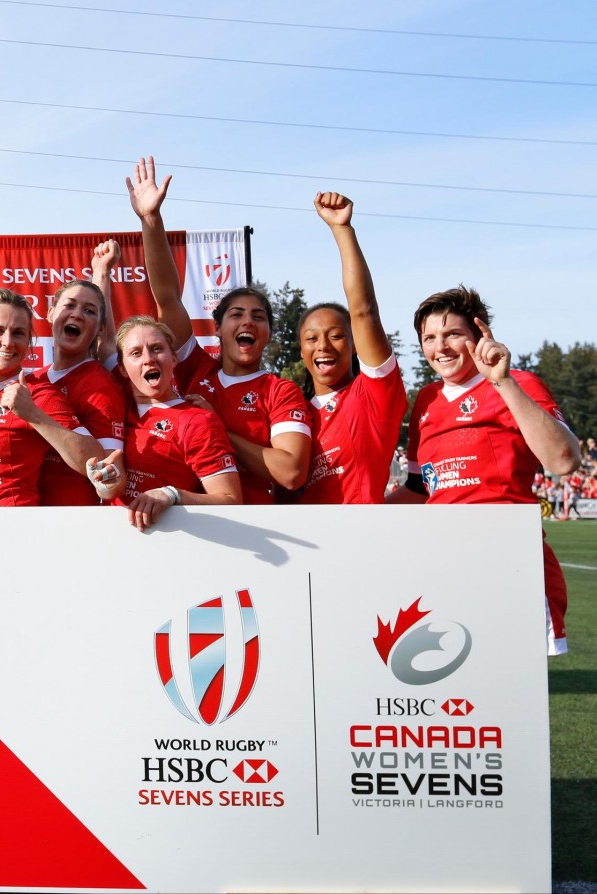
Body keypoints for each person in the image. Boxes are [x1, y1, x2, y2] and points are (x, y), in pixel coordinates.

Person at [389, 286, 581, 655]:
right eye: (429, 338)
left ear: (479, 335)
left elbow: (563, 460)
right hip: (442, 564)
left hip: (508, 561)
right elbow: (418, 489)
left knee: (511, 696)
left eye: (452, 335)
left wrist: (502, 382)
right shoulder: (426, 401)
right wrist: (353, 517)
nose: (440, 347)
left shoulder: (517, 382)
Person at [128, 155, 311, 504]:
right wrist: (151, 219)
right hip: (185, 521)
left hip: (253, 527)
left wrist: (216, 428)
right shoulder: (194, 365)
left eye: (259, 317)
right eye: (237, 314)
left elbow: (290, 472)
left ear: (268, 333)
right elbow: (167, 296)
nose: (247, 322)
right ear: (218, 328)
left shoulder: (279, 391)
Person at [297, 193, 407, 504]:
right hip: (304, 544)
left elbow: (364, 310)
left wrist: (342, 229)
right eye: (312, 338)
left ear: (356, 344)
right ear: (301, 350)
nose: (323, 346)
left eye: (336, 335)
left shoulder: (372, 395)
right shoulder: (293, 412)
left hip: (360, 543)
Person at [0, 288, 108, 507]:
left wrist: (33, 415)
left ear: (29, 341)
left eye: (18, 333)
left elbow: (96, 461)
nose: (8, 341)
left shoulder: (37, 393)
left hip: (17, 529)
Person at [111, 316, 241, 530]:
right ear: (123, 368)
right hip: (105, 542)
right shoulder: (117, 408)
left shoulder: (197, 420)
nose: (148, 359)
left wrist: (172, 495)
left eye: (156, 348)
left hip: (166, 546)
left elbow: (232, 501)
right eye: (135, 353)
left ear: (174, 358)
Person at [31, 241, 129, 505]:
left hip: (74, 523)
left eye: (89, 311)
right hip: (22, 516)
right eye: (69, 305)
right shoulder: (32, 380)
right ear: (50, 313)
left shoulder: (100, 385)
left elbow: (110, 473)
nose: (77, 315)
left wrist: (103, 273)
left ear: (99, 329)